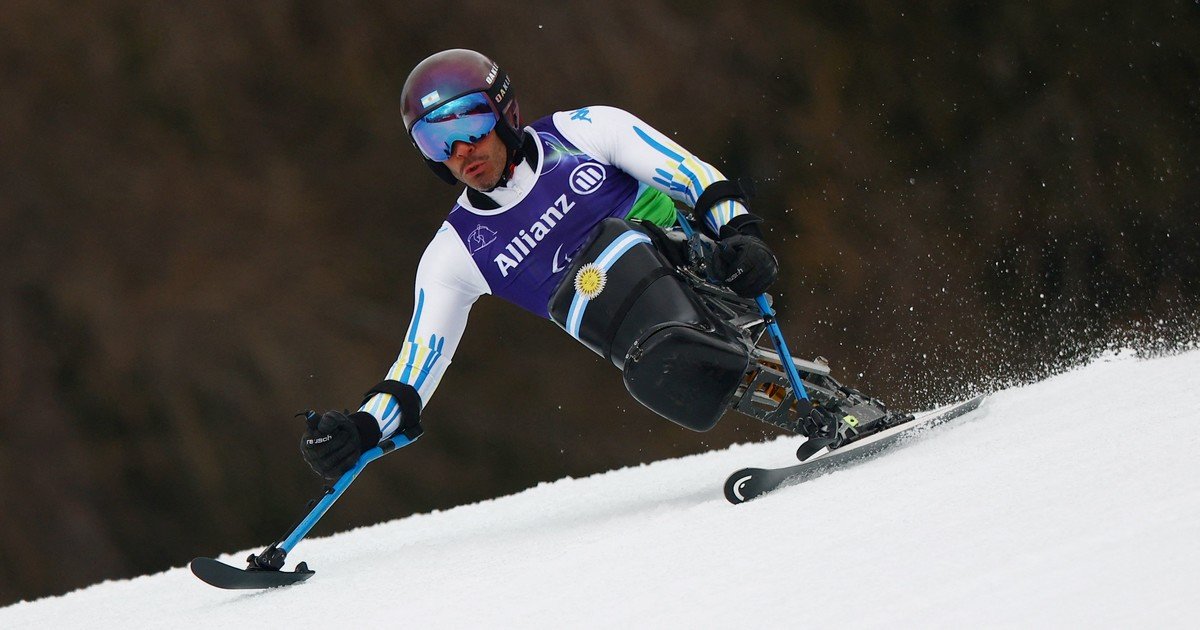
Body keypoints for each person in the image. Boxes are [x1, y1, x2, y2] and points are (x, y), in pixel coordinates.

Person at [300, 49, 783, 480]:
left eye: (469, 124)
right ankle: (786, 397)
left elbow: (692, 177)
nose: (460, 150)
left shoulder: (585, 131)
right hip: (634, 336)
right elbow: (418, 362)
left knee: (618, 245)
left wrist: (740, 233)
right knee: (595, 298)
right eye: (436, 141)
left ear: (503, 112)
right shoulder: (455, 253)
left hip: (702, 265)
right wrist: (362, 428)